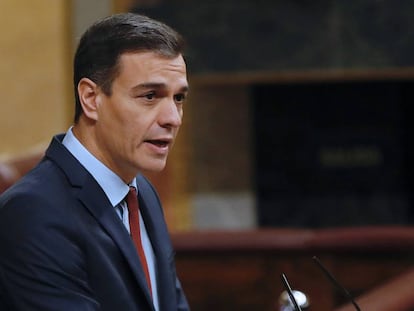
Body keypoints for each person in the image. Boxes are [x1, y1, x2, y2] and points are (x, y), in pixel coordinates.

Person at [0, 12, 190, 311]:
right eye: (150, 96)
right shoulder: (32, 212)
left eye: (178, 98)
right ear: (90, 98)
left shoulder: (142, 192)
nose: (172, 118)